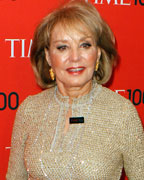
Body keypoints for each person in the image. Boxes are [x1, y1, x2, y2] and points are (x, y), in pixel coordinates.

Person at [6, 0, 144, 179]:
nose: (75, 57)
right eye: (62, 47)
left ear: (98, 53)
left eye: (85, 45)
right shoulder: (29, 110)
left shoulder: (122, 113)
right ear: (48, 57)